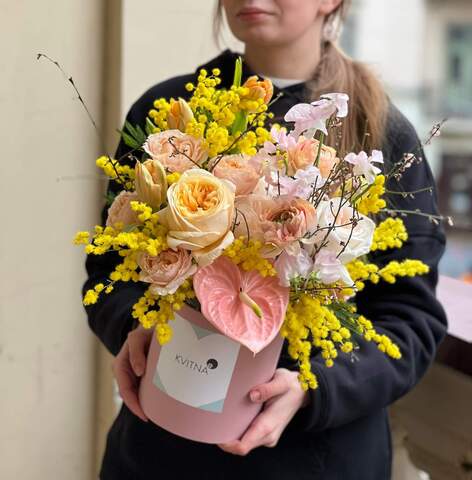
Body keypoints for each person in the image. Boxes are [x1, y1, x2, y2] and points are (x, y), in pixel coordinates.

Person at [83, 1, 447, 478]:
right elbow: (111, 269)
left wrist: (317, 389)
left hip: (318, 459)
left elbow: (410, 318)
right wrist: (137, 329)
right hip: (162, 451)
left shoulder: (380, 130)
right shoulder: (169, 113)